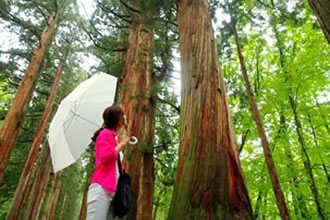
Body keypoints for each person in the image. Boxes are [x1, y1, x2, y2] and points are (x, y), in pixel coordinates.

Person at [87, 105, 129, 220]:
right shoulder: (105, 134)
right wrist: (121, 145)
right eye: (123, 115)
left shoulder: (114, 136)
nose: (126, 117)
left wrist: (120, 139)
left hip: (113, 191)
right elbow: (105, 157)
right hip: (101, 189)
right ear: (118, 119)